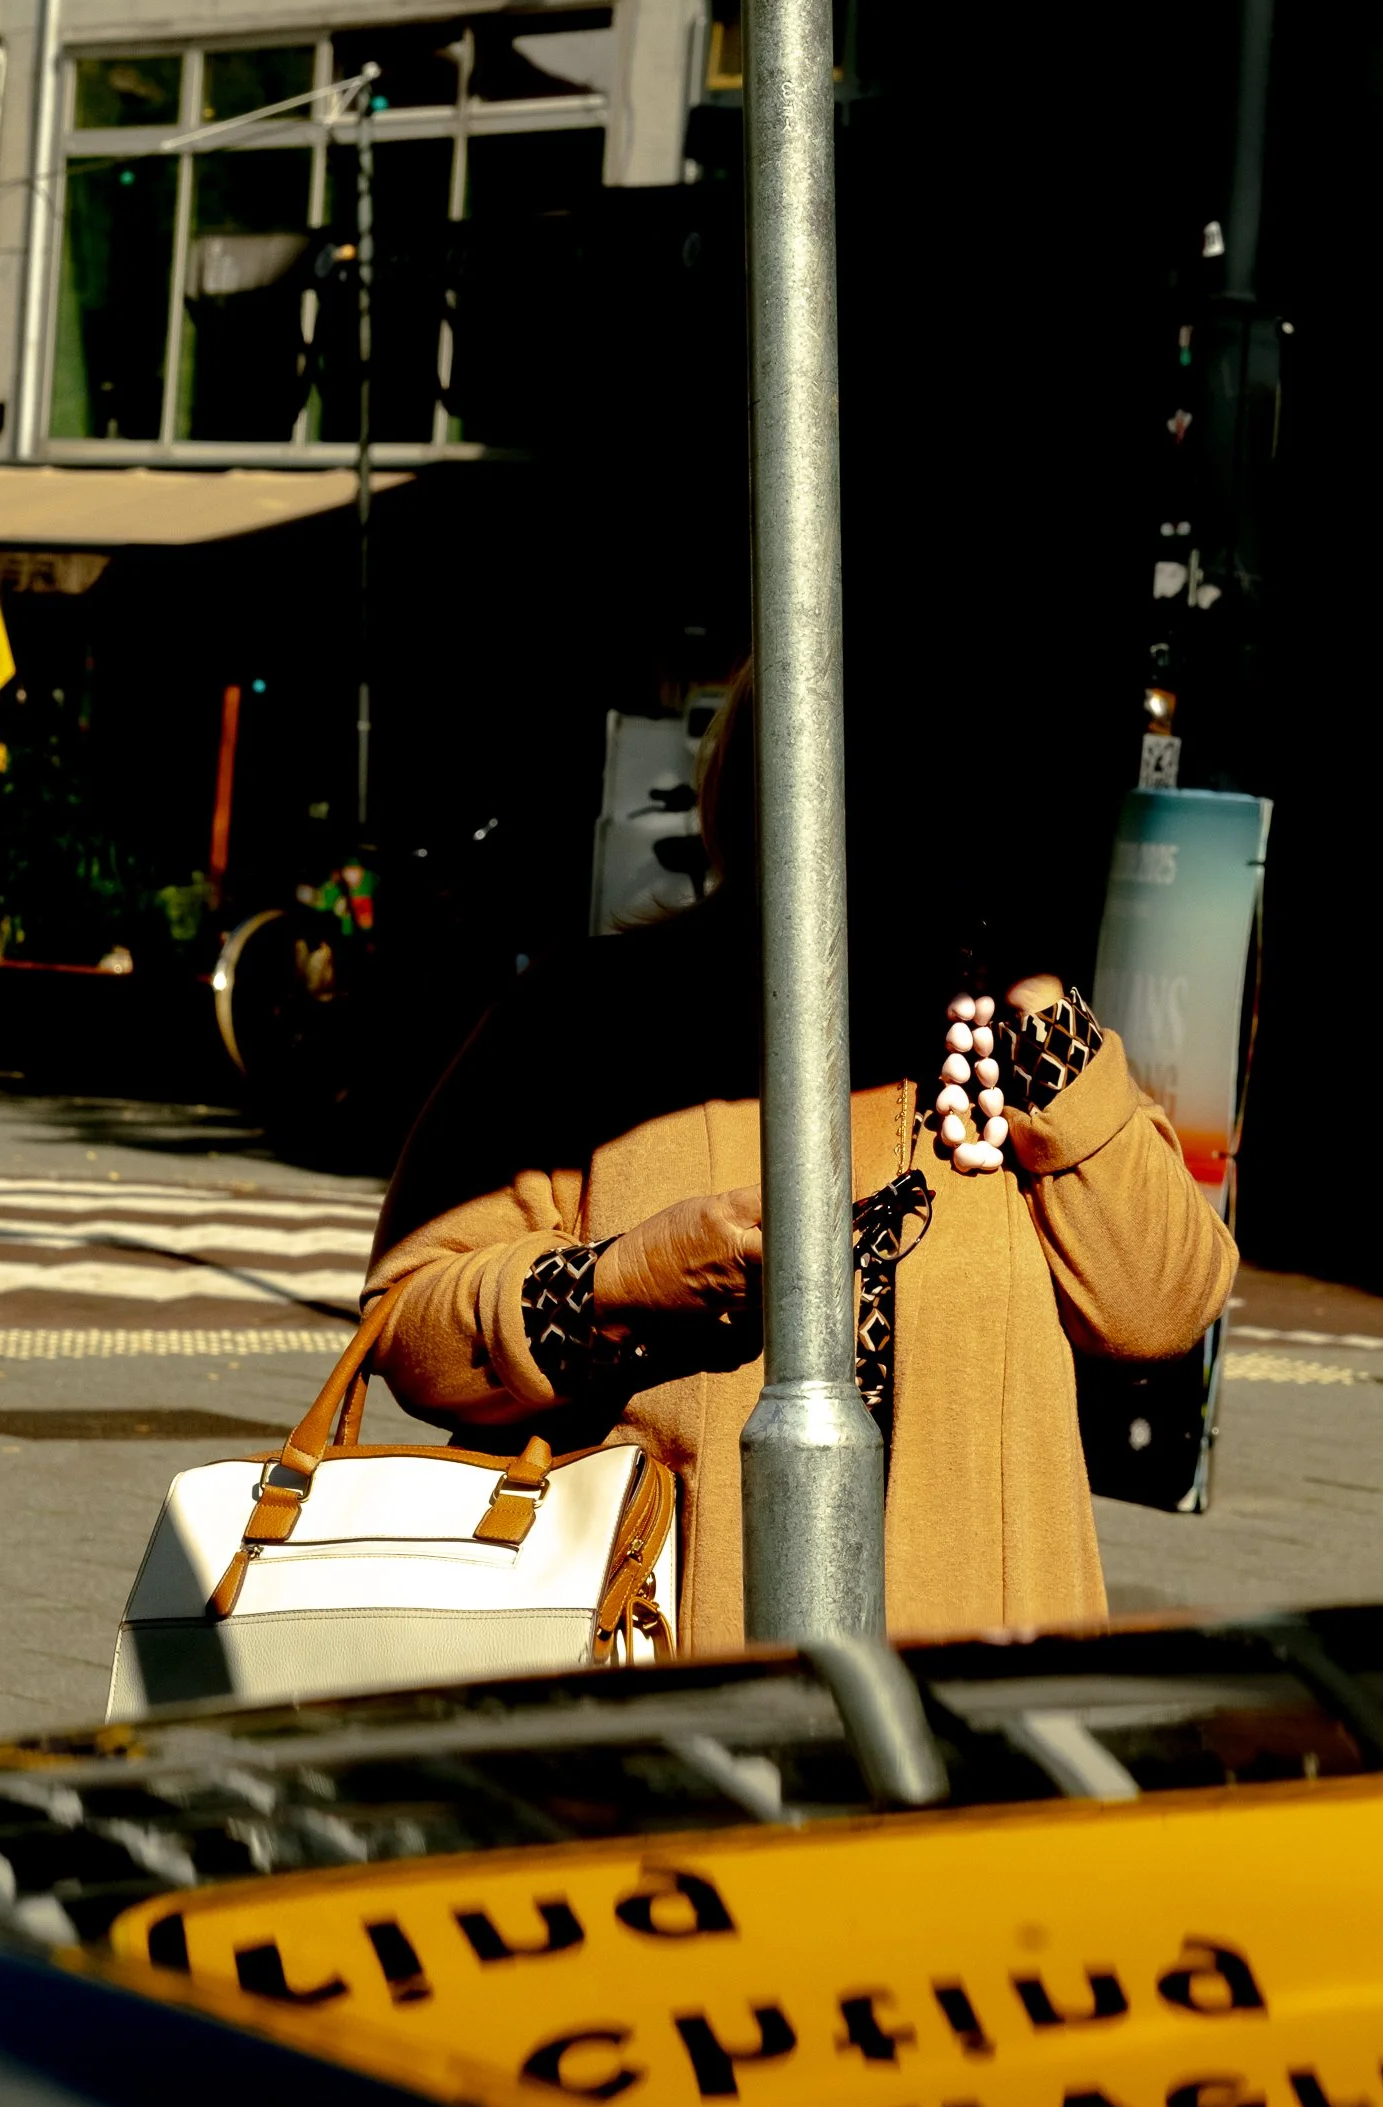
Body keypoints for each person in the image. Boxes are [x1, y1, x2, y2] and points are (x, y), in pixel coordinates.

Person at [359, 671, 1235, 1650]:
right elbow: (410, 1328)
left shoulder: (1002, 1040)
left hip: (970, 1722)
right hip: (679, 1692)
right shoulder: (590, 1018)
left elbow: (1163, 1304)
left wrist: (1039, 1004)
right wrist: (622, 1284)